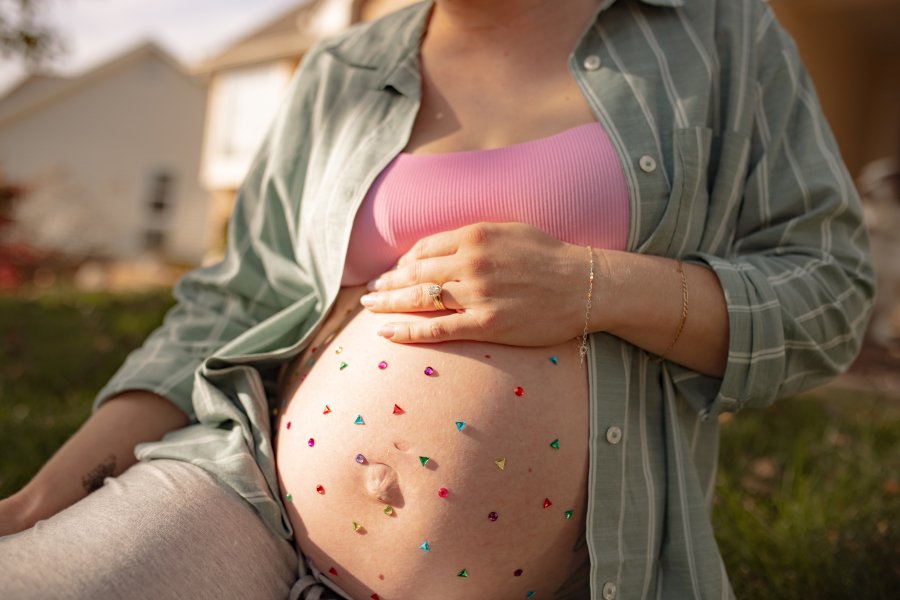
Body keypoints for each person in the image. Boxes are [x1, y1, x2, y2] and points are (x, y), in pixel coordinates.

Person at [0, 0, 874, 598]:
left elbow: (829, 291)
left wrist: (595, 287)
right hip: (251, 491)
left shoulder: (716, 32)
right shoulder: (346, 66)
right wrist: (65, 481)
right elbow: (239, 296)